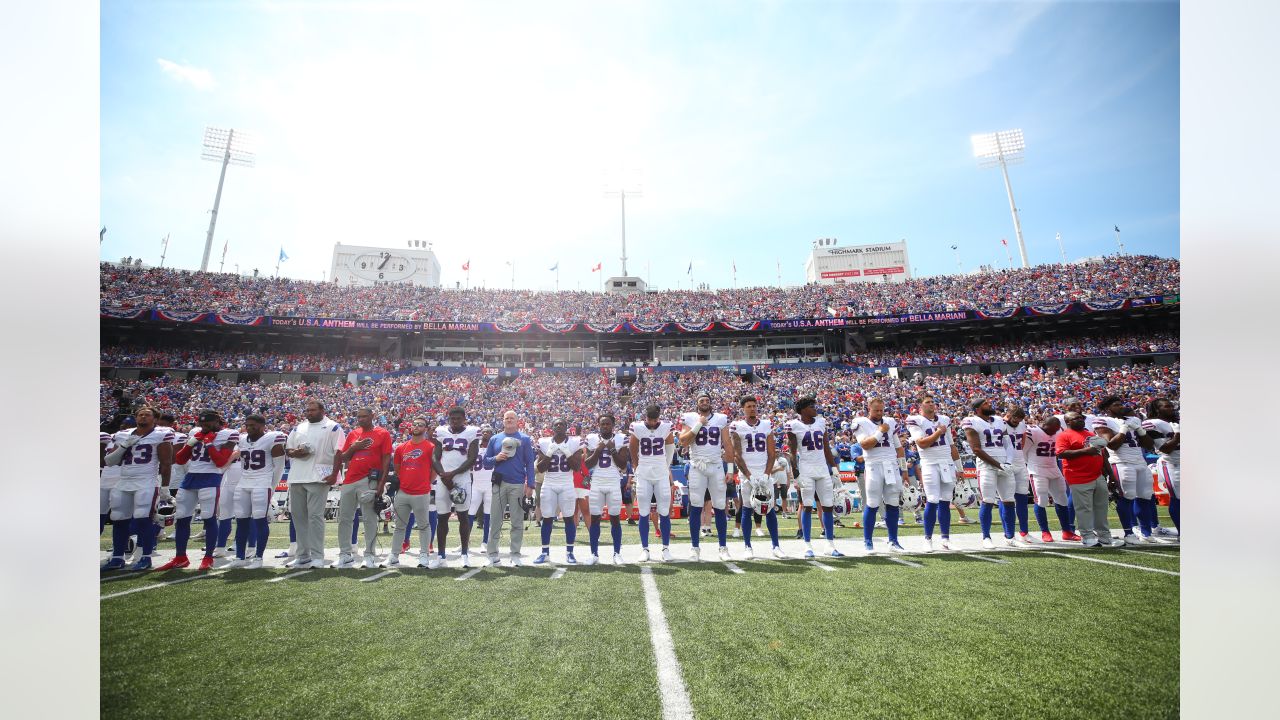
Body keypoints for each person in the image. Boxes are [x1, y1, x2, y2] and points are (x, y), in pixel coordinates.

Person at [157, 410, 239, 571]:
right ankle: (180, 557)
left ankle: (208, 557)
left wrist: (209, 444)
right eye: (201, 424)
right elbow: (179, 459)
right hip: (190, 478)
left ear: (217, 421)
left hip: (210, 478)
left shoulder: (229, 434)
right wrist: (191, 443)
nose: (204, 427)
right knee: (181, 518)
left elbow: (221, 462)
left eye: (207, 424)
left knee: (209, 517)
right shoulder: (196, 432)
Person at [101, 407, 173, 571]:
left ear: (154, 419)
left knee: (143, 518)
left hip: (146, 481)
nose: (143, 417)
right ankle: (118, 557)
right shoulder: (123, 435)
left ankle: (145, 557)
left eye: (147, 415)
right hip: (124, 480)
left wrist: (165, 487)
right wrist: (123, 446)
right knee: (118, 518)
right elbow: (109, 462)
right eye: (140, 414)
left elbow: (166, 463)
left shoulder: (161, 434)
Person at [284, 400, 346, 569]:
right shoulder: (299, 427)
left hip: (319, 477)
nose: (309, 413)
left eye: (312, 410)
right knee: (298, 516)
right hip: (297, 476)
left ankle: (318, 555)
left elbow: (339, 452)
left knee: (315, 517)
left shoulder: (333, 427)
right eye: (307, 410)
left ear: (322, 411)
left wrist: (334, 474)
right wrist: (296, 452)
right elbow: (288, 449)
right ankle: (302, 555)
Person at [1092, 396, 1156, 545]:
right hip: (1121, 462)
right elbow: (1112, 445)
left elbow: (1148, 445)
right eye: (1116, 405)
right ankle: (1129, 533)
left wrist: (1139, 429)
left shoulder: (1133, 419)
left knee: (1146, 496)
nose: (1121, 407)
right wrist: (1124, 428)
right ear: (1107, 409)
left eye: (1121, 404)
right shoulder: (1104, 421)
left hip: (1140, 462)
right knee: (1127, 496)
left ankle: (1146, 533)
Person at [786, 396, 843, 559]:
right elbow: (792, 451)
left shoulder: (820, 422)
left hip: (822, 469)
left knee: (827, 506)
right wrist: (795, 473)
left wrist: (834, 469)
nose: (815, 408)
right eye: (811, 406)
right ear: (803, 409)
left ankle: (830, 544)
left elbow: (826, 447)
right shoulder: (793, 425)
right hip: (806, 469)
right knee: (807, 506)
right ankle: (807, 545)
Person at [962, 398, 1023, 549]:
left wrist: (1008, 463)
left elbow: (1008, 443)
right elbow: (976, 449)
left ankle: (1010, 536)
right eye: (985, 404)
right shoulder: (971, 421)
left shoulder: (999, 421)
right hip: (986, 466)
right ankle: (986, 537)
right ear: (977, 409)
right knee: (987, 500)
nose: (990, 405)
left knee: (1009, 500)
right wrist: (999, 465)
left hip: (1004, 464)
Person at [679, 390, 733, 561]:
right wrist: (698, 425)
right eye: (701, 400)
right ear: (697, 403)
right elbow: (683, 441)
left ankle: (723, 547)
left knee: (719, 506)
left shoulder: (720, 418)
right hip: (697, 466)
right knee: (695, 506)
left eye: (706, 400)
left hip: (716, 465)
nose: (704, 402)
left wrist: (730, 469)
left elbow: (727, 444)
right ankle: (695, 547)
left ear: (710, 402)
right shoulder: (690, 418)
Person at [226, 414, 285, 569]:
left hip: (262, 482)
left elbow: (279, 466)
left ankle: (258, 558)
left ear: (263, 426)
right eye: (248, 425)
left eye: (254, 425)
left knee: (259, 520)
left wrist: (272, 487)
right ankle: (240, 557)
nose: (250, 428)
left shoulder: (273, 438)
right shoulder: (242, 439)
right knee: (241, 520)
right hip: (244, 482)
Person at [729, 396, 785, 559]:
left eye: (754, 406)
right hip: (747, 474)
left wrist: (767, 474)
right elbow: (737, 455)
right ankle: (747, 546)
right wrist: (748, 475)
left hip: (764, 472)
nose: (752, 408)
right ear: (743, 409)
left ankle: (776, 546)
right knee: (746, 509)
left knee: (770, 509)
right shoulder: (737, 426)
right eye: (748, 406)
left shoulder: (766, 424)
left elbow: (772, 453)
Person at [337, 408, 394, 568]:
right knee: (344, 519)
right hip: (349, 479)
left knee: (369, 519)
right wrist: (355, 447)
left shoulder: (383, 433)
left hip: (369, 480)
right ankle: (345, 554)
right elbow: (343, 457)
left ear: (372, 416)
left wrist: (381, 484)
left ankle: (369, 555)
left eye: (364, 416)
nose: (361, 419)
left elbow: (386, 459)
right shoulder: (353, 434)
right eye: (358, 416)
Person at [851, 398, 908, 553]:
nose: (879, 413)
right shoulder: (861, 422)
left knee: (893, 503)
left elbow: (899, 448)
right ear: (868, 408)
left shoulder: (889, 421)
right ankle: (868, 542)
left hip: (891, 466)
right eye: (876, 410)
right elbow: (865, 445)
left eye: (881, 410)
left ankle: (893, 541)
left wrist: (904, 470)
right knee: (872, 503)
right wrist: (880, 431)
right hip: (873, 465)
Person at [1054, 412, 1118, 547]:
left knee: (1101, 508)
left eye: (1081, 417)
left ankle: (1105, 536)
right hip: (1078, 476)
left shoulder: (1089, 434)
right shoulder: (1064, 435)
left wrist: (1111, 475)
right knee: (1084, 509)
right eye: (1076, 418)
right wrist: (1085, 451)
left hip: (1097, 475)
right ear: (1068, 422)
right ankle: (1087, 536)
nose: (1080, 420)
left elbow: (1103, 454)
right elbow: (1061, 453)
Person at [906, 394, 958, 552]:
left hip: (947, 463)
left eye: (933, 402)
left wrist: (960, 468)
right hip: (929, 464)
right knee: (932, 499)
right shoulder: (915, 420)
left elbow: (952, 445)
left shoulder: (945, 419)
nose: (931, 405)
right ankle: (927, 539)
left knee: (946, 500)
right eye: (927, 402)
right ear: (920, 407)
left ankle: (945, 538)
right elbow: (922, 444)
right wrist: (937, 433)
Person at [484, 410, 536, 567]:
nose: (509, 420)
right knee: (495, 520)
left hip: (518, 483)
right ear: (503, 421)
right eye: (507, 418)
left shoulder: (525, 439)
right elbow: (486, 462)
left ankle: (515, 554)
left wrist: (531, 484)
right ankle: (492, 554)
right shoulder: (494, 438)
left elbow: (530, 463)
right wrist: (496, 458)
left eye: (512, 418)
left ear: (517, 420)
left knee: (517, 521)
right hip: (498, 484)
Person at [432, 406, 479, 568]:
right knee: (442, 517)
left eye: (458, 418)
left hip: (462, 479)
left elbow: (472, 458)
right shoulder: (440, 431)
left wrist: (452, 474)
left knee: (463, 516)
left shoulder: (472, 432)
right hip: (443, 479)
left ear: (464, 419)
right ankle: (441, 556)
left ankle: (464, 554)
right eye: (453, 418)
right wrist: (443, 474)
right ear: (448, 418)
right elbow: (435, 456)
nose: (455, 421)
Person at [387, 417, 435, 568]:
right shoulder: (402, 447)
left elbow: (434, 470)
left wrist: (426, 482)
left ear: (425, 429)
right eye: (414, 424)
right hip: (403, 492)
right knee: (399, 525)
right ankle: (394, 555)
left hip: (421, 492)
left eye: (421, 425)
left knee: (423, 525)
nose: (416, 426)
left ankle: (423, 555)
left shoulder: (430, 446)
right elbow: (397, 467)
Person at [630, 404, 675, 562]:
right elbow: (632, 447)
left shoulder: (665, 427)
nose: (653, 422)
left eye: (656, 419)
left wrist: (665, 466)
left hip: (661, 474)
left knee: (664, 511)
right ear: (645, 417)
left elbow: (670, 448)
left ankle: (665, 548)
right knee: (643, 511)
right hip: (644, 474)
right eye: (650, 419)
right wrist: (636, 467)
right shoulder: (638, 427)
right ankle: (645, 548)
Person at [584, 413, 630, 565]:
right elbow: (587, 465)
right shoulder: (591, 439)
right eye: (602, 424)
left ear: (613, 425)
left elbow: (623, 465)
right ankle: (594, 554)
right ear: (598, 425)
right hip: (596, 481)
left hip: (613, 481)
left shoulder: (620, 438)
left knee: (615, 518)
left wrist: (613, 450)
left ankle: (617, 553)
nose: (605, 426)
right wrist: (597, 451)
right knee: (595, 518)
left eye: (608, 424)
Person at [535, 418, 583, 564]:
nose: (559, 426)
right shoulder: (544, 442)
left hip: (567, 483)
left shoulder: (574, 442)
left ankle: (570, 552)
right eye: (556, 424)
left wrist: (567, 453)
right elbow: (541, 468)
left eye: (561, 424)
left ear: (566, 427)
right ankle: (545, 552)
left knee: (569, 518)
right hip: (549, 483)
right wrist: (549, 453)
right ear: (552, 427)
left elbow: (576, 467)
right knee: (547, 518)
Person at [1025, 416, 1080, 542]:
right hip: (1037, 469)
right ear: (1044, 424)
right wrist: (1031, 464)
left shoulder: (1059, 431)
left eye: (1056, 429)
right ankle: (1045, 532)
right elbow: (1023, 451)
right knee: (1041, 499)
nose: (1054, 432)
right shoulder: (1033, 431)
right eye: (1052, 429)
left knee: (1062, 499)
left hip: (1054, 468)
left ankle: (1067, 531)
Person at [1142, 398, 1180, 535]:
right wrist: (1177, 436)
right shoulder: (1152, 423)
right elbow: (1164, 448)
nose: (1171, 408)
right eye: (1167, 406)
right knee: (1178, 498)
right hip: (1173, 463)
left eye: (1171, 405)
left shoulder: (1176, 422)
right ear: (1157, 409)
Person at [1002, 406, 1036, 544]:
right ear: (1008, 414)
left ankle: (1024, 532)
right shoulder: (1000, 423)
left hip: (1020, 462)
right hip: (1006, 462)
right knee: (1006, 498)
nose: (1017, 422)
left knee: (1022, 498)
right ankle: (1008, 534)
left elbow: (1021, 442)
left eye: (1020, 419)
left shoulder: (1021, 424)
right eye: (1015, 418)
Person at [466, 425, 496, 547]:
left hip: (489, 485)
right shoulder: (474, 448)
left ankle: (485, 542)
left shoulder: (495, 448)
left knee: (488, 515)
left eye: (489, 432)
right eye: (484, 432)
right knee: (470, 513)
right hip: (476, 485)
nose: (486, 433)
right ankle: (465, 542)